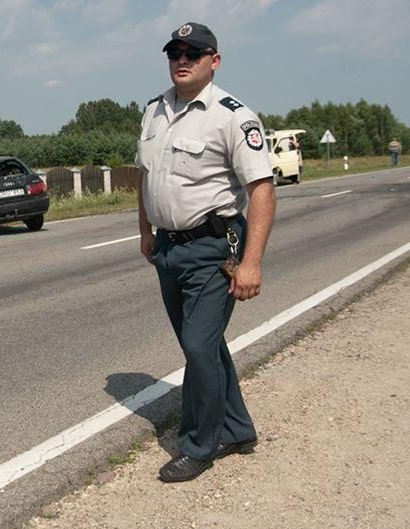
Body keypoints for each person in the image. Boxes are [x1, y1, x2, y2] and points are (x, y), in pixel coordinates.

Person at [136, 22, 276, 482]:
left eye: (193, 53)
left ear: (213, 61)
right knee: (204, 345)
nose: (182, 59)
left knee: (198, 347)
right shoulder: (154, 110)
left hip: (215, 248)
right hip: (169, 249)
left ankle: (200, 443)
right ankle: (237, 428)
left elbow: (261, 189)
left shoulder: (233, 116)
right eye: (175, 52)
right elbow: (146, 177)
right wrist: (146, 232)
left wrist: (252, 262)